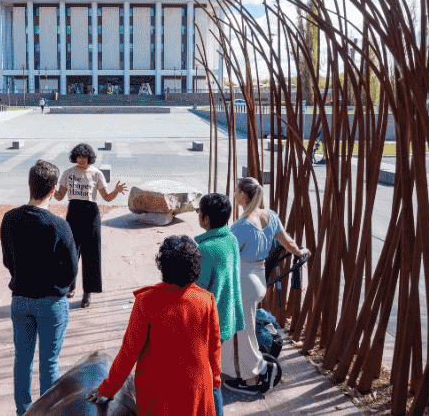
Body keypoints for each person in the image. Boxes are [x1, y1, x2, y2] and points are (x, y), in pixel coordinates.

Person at [85, 235, 222, 415]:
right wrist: (215, 380)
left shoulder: (146, 301)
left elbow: (129, 352)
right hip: (196, 389)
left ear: (163, 267)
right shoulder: (206, 300)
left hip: (157, 393)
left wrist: (108, 388)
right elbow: (214, 347)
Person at [1, 160, 78, 416]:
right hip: (51, 301)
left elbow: (7, 259)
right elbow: (71, 270)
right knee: (49, 362)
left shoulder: (10, 219)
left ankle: (23, 411)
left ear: (29, 184)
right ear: (54, 189)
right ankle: (47, 412)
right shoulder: (59, 226)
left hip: (20, 298)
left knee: (22, 361)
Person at [222, 177, 310, 394]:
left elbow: (227, 255)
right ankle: (236, 368)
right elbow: (288, 241)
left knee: (244, 332)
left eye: (236, 191)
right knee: (242, 329)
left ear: (243, 195)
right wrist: (299, 252)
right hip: (258, 279)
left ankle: (253, 378)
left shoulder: (240, 226)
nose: (234, 195)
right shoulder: (270, 216)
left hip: (244, 280)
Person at [54, 143, 127, 308]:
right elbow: (60, 196)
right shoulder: (68, 173)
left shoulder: (96, 174)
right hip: (73, 212)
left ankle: (88, 292)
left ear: (90, 158)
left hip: (91, 214)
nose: (81, 160)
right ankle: (70, 286)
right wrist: (50, 189)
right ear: (75, 157)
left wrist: (116, 191)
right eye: (78, 157)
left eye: (84, 157)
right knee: (70, 251)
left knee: (91, 253)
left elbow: (106, 197)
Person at [194, 193, 245, 416]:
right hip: (225, 317)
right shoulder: (230, 239)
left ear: (206, 219)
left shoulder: (206, 250)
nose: (198, 215)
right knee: (210, 372)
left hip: (208, 324)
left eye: (199, 212)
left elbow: (197, 291)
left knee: (208, 377)